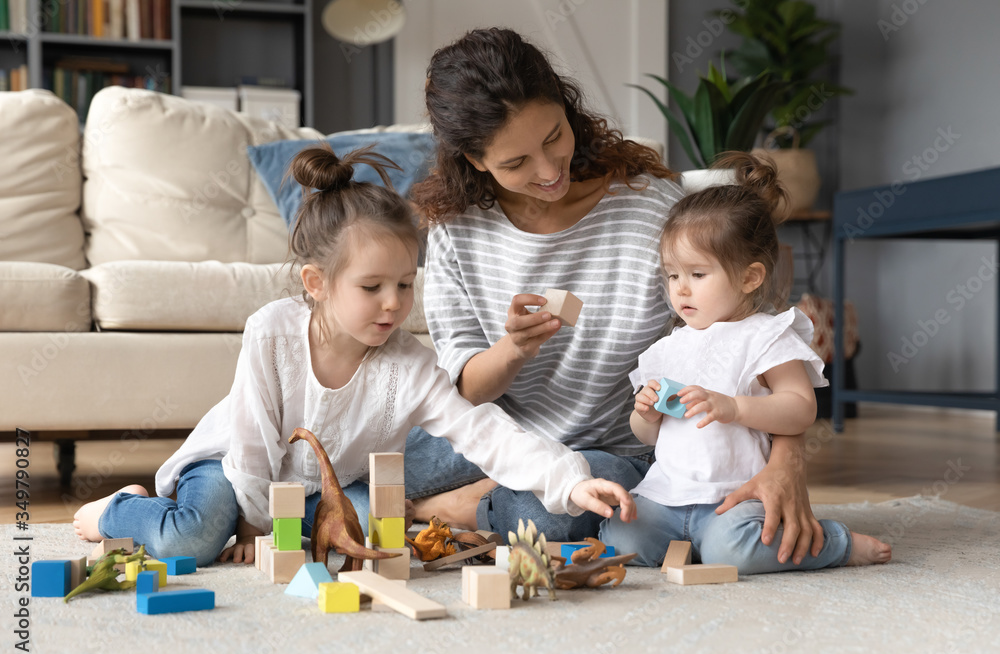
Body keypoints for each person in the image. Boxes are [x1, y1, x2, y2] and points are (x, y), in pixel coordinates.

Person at [72, 144, 635, 566]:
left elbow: (482, 431)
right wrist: (253, 525)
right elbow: (251, 445)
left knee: (364, 535)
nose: (394, 304)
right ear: (316, 283)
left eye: (405, 285)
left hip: (328, 486)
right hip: (232, 469)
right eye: (372, 288)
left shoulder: (409, 363)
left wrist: (568, 482)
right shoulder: (272, 333)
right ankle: (117, 509)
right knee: (194, 538)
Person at [404, 27, 826, 566]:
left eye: (553, 137)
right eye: (516, 163)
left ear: (566, 107)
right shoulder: (457, 230)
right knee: (369, 457)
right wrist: (513, 349)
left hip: (608, 448)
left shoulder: (648, 208)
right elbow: (462, 392)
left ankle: (459, 507)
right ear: (475, 159)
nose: (548, 170)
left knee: (559, 515)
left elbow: (750, 336)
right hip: (496, 433)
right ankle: (488, 487)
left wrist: (786, 462)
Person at [597, 152, 892, 571]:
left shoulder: (764, 335)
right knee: (619, 540)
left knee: (733, 551)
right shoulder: (668, 347)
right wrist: (645, 414)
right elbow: (647, 436)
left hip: (735, 497)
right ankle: (694, 545)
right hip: (666, 495)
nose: (681, 289)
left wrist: (735, 407)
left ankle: (834, 543)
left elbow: (801, 408)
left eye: (698, 275)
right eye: (672, 275)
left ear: (749, 277)